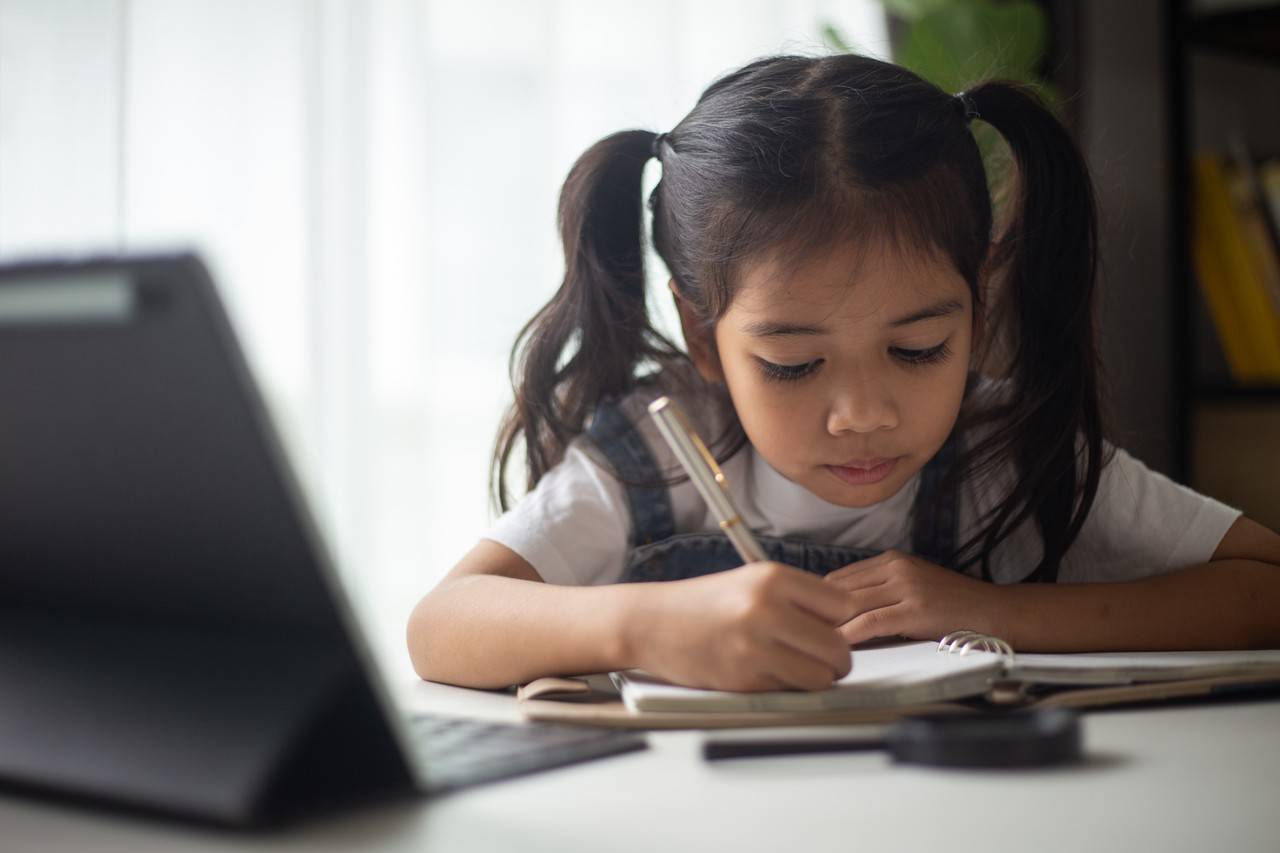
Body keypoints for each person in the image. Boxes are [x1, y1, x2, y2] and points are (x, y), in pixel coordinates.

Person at [407, 54, 1280, 693]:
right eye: (792, 363)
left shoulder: (1003, 450)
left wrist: (988, 609)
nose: (862, 413)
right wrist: (650, 622)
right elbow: (440, 626)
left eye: (918, 350)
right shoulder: (654, 457)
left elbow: (1263, 588)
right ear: (703, 336)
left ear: (974, 306)